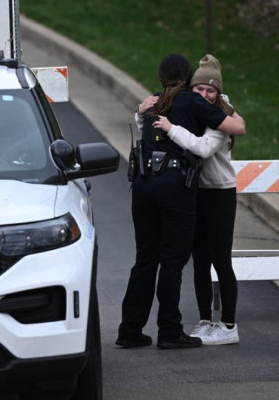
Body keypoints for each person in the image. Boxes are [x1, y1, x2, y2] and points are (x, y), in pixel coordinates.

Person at [117, 53, 245, 350]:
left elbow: (144, 124)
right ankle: (170, 331)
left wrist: (138, 109)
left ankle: (130, 329)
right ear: (188, 80)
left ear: (160, 77)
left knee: (145, 260)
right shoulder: (190, 101)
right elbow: (236, 127)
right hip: (175, 188)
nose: (201, 93)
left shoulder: (154, 101)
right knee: (173, 261)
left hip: (143, 184)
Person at [151, 54, 240, 346]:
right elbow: (158, 108)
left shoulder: (221, 122)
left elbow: (201, 148)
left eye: (210, 90)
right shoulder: (194, 111)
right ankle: (205, 320)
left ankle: (228, 324)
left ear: (217, 93)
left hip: (220, 193)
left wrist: (171, 129)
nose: (203, 95)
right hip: (195, 192)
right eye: (198, 89)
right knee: (199, 260)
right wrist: (143, 109)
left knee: (220, 259)